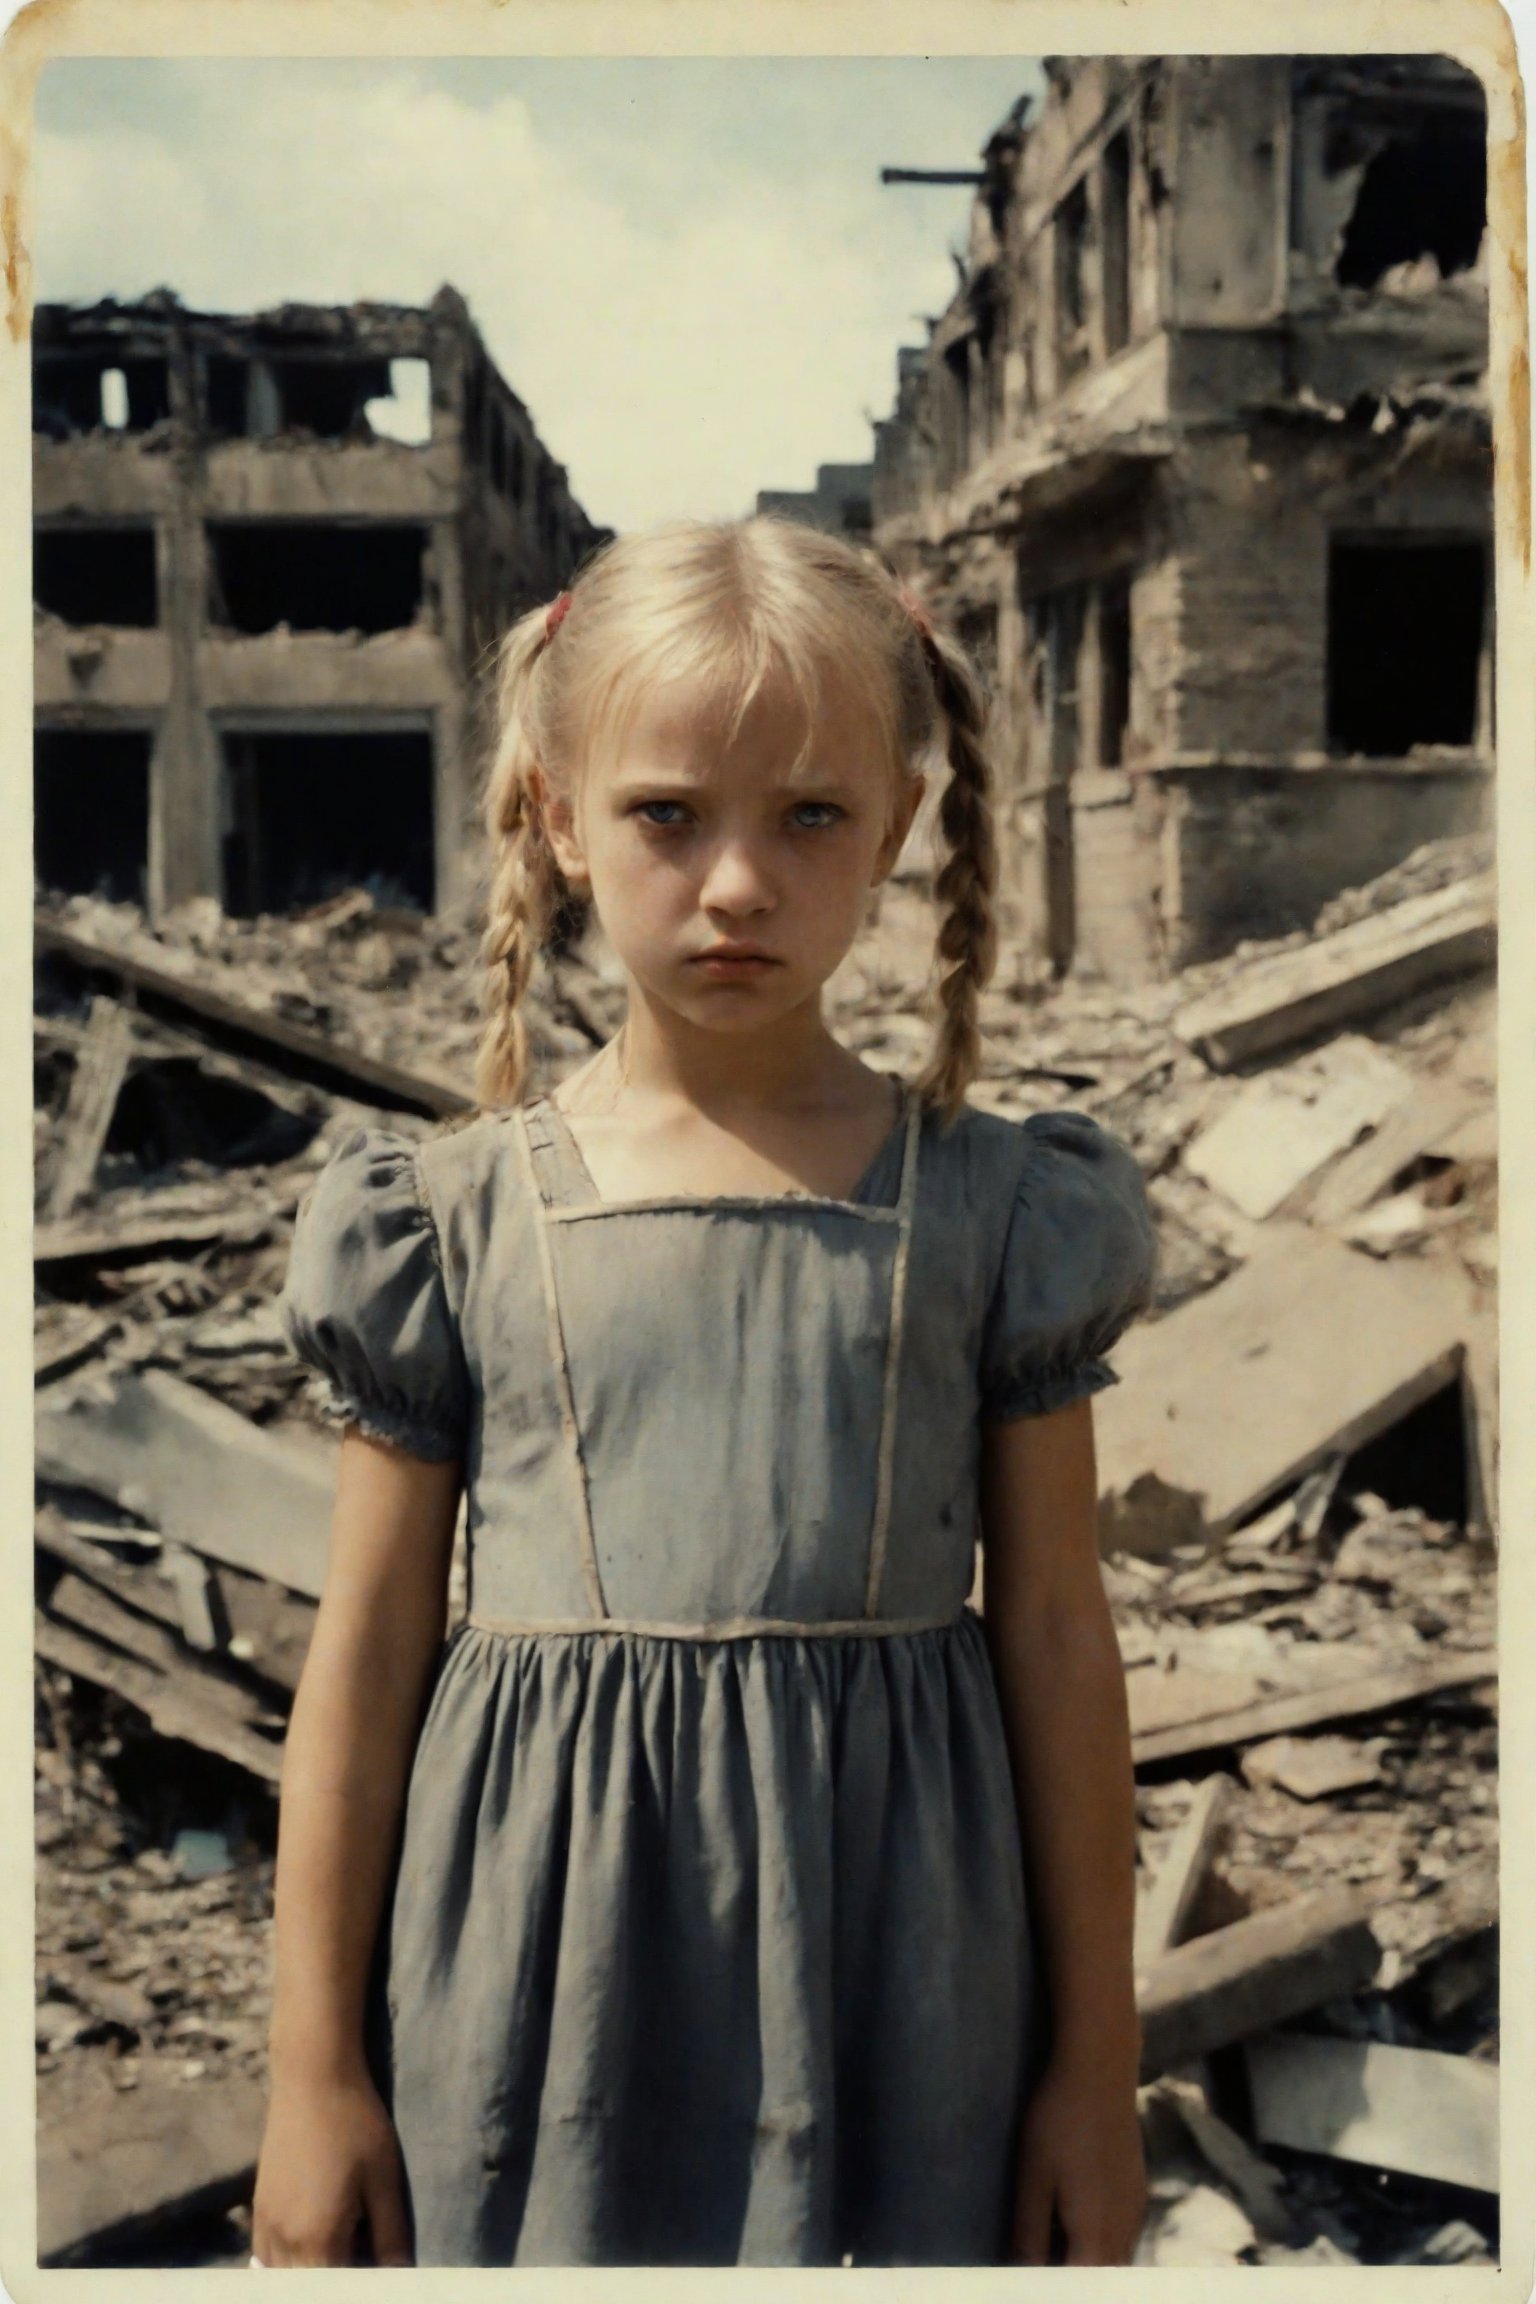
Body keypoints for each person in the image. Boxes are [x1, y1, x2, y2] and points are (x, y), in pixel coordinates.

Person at [250, 517, 1158, 2270]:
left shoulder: (997, 1212)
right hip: (543, 1978)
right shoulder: (445, 1224)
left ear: (896, 829)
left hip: (907, 1978)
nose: (737, 883)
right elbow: (362, 1654)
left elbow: (1054, 1629)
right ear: (555, 816)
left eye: (811, 815)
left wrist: (1093, 2073)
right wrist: (312, 2075)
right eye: (669, 813)